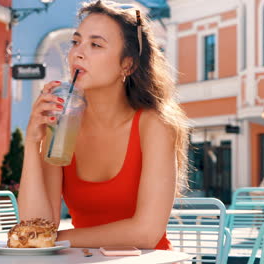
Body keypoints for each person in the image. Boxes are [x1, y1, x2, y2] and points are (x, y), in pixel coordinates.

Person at [17, 0, 189, 250]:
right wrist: (33, 143)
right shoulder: (63, 124)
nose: (77, 52)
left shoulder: (154, 124)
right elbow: (36, 225)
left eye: (95, 44)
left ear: (127, 64)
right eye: (75, 42)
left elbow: (146, 234)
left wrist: (51, 241)